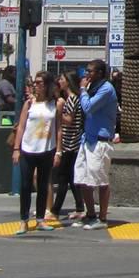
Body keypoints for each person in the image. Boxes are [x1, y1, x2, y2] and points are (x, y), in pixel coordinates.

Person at [10, 71, 59, 235]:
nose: (36, 85)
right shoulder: (29, 104)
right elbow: (21, 127)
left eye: (40, 83)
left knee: (43, 185)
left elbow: (59, 128)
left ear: (47, 85)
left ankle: (40, 219)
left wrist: (58, 151)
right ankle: (24, 220)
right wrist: (16, 149)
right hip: (28, 148)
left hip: (46, 149)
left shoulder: (54, 103)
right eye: (35, 83)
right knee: (25, 185)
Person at [76, 59, 118, 228]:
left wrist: (82, 90)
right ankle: (90, 214)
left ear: (100, 73)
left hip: (100, 142)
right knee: (83, 178)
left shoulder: (106, 89)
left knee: (100, 179)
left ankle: (102, 218)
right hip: (88, 140)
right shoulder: (93, 88)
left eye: (90, 71)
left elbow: (88, 108)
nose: (87, 74)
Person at [50, 73, 85, 222]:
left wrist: (58, 113)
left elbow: (69, 120)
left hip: (69, 143)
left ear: (68, 82)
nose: (60, 82)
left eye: (62, 80)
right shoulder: (73, 99)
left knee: (63, 178)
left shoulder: (71, 99)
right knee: (71, 178)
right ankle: (79, 207)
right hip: (71, 143)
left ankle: (55, 210)